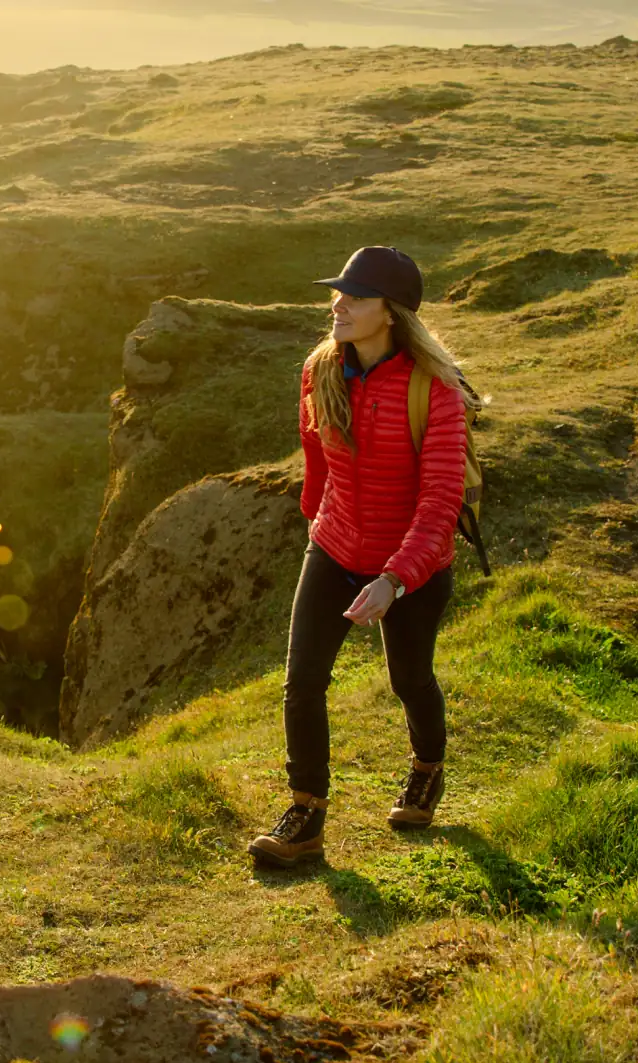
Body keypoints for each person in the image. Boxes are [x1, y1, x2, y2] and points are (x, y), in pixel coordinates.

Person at [248, 246, 473, 868]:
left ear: (392, 313)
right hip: (335, 547)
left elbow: (438, 508)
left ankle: (427, 769)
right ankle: (305, 816)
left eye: (357, 295)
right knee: (303, 682)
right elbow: (314, 453)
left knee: (409, 678)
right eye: (339, 292)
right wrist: (317, 520)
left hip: (412, 566)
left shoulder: (437, 391)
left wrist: (394, 580)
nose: (338, 304)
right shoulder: (320, 367)